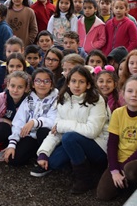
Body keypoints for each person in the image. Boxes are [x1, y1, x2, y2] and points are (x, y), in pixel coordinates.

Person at [33, 65, 109, 193]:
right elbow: (55, 132)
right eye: (73, 81)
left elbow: (92, 131)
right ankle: (81, 163)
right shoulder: (64, 100)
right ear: (68, 83)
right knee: (54, 162)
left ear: (89, 85)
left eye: (81, 82)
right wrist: (43, 153)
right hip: (76, 141)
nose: (77, 85)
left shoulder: (97, 100)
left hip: (99, 146)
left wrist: (63, 125)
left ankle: (84, 179)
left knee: (69, 137)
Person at [96, 75, 137, 200]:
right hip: (119, 160)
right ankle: (124, 184)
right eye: (130, 91)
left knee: (131, 170)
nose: (134, 95)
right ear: (123, 94)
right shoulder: (118, 113)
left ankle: (134, 182)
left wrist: (122, 168)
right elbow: (112, 144)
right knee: (103, 195)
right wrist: (114, 170)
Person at [4, 68, 59, 167]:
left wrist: (34, 122)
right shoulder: (29, 98)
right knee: (13, 161)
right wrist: (12, 144)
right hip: (31, 135)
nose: (42, 84)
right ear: (33, 84)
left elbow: (53, 120)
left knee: (42, 131)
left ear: (51, 85)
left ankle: (46, 157)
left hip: (48, 136)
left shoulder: (57, 98)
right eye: (38, 81)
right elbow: (19, 121)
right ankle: (35, 152)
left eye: (46, 81)